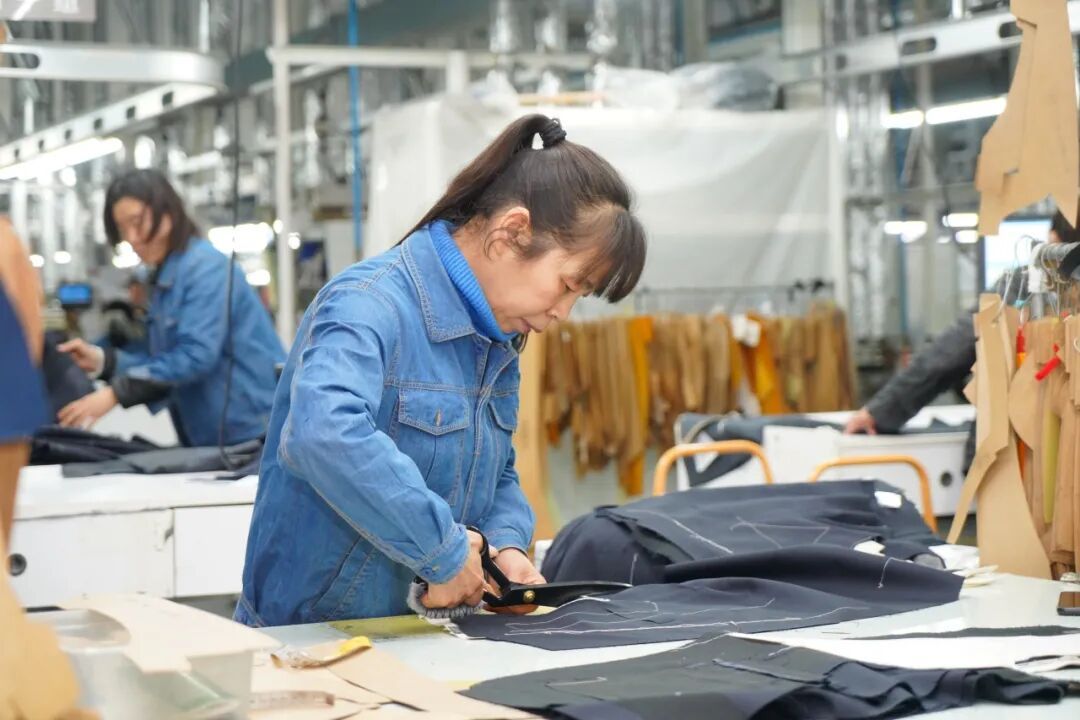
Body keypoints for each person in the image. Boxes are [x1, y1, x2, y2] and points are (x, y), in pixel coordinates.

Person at [237, 115, 647, 626]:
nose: (563, 313)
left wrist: (506, 547)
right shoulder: (368, 305)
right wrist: (444, 552)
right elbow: (323, 433)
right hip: (311, 644)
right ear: (512, 232)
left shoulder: (495, 337)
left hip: (421, 641)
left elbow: (495, 468)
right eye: (567, 285)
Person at [56, 169, 285, 447]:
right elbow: (162, 359)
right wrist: (104, 361)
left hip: (254, 430)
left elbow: (194, 356)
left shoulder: (205, 268)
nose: (132, 237)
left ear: (168, 212)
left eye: (137, 222)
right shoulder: (164, 278)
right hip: (212, 435)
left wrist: (116, 393)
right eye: (123, 229)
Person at [844, 211, 1079, 463]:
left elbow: (948, 355)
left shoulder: (1022, 287)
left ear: (1053, 239)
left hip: (1012, 456)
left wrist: (880, 412)